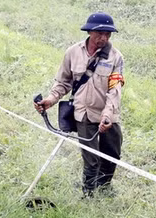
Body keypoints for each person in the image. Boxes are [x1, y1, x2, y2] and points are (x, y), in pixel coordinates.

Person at [34, 13, 125, 197]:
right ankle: (89, 193)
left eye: (108, 34)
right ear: (90, 31)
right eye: (100, 33)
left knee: (112, 154)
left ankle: (104, 187)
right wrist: (51, 99)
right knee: (91, 159)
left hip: (108, 113)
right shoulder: (73, 53)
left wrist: (107, 116)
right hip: (83, 113)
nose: (104, 38)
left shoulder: (116, 57)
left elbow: (114, 90)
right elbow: (63, 82)